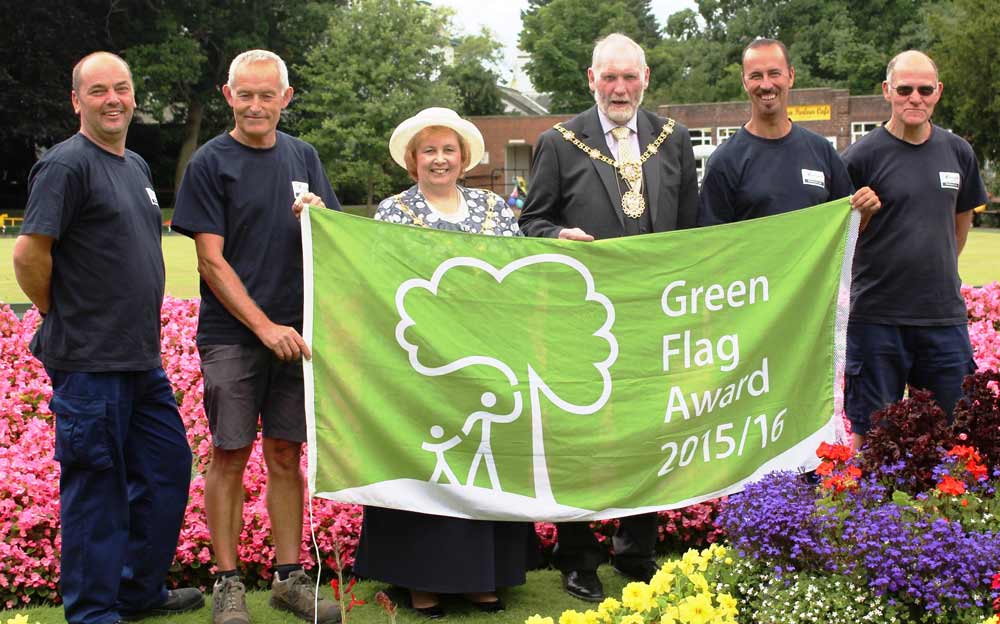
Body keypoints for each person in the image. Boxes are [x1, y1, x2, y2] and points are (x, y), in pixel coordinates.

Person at [12, 51, 202, 624]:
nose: (113, 99)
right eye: (98, 91)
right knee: (96, 492)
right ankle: (94, 613)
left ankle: (136, 590)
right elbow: (29, 253)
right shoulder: (67, 166)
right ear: (77, 100)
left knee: (168, 468)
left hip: (139, 360)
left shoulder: (136, 166)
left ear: (134, 95)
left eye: (121, 88)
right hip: (90, 362)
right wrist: (58, 310)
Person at [518, 33, 697, 602]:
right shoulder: (560, 141)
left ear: (646, 78)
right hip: (583, 318)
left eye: (630, 77)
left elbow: (692, 230)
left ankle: (636, 550)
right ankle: (577, 556)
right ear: (590, 79)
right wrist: (558, 236)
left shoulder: (674, 139)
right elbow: (532, 222)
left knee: (649, 431)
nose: (620, 88)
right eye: (609, 77)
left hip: (653, 316)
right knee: (583, 435)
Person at [171, 49, 341, 624]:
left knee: (287, 455)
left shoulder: (305, 157)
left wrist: (319, 217)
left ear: (286, 99)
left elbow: (334, 242)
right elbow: (212, 263)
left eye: (267, 95)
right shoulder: (209, 163)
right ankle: (227, 584)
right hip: (234, 336)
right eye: (245, 94)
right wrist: (265, 328)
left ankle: (290, 578)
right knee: (230, 454)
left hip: (296, 335)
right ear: (228, 96)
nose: (256, 105)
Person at [351, 107, 535, 618]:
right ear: (413, 160)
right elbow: (377, 278)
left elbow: (518, 271)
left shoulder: (494, 209)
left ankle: (484, 574)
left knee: (483, 460)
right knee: (428, 459)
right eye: (428, 150)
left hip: (486, 357)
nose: (439, 159)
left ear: (463, 157)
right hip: (420, 364)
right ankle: (421, 578)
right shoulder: (394, 211)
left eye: (448, 150)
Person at [842, 50, 987, 450]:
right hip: (877, 318)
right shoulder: (860, 157)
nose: (915, 98)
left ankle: (941, 512)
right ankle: (866, 512)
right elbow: (840, 242)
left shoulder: (958, 153)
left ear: (938, 93)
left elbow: (959, 227)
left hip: (943, 318)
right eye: (905, 89)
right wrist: (863, 218)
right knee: (872, 437)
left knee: (951, 432)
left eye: (925, 90)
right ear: (887, 91)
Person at [697, 39, 880, 224]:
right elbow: (712, 243)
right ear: (744, 81)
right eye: (756, 76)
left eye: (774, 73)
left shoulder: (822, 151)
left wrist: (863, 213)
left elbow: (845, 230)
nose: (766, 85)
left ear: (791, 76)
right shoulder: (724, 161)